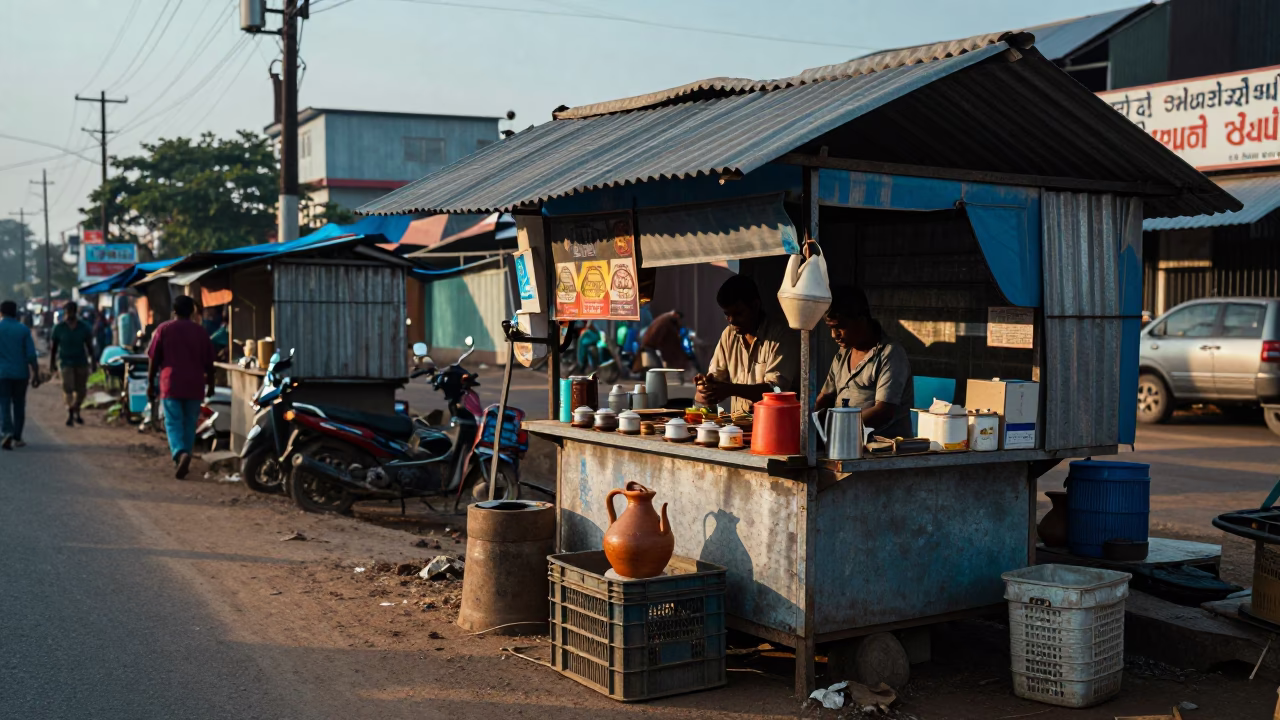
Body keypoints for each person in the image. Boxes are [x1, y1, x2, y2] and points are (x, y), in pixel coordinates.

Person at [816, 285, 914, 439]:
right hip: (842, 442)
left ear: (861, 320)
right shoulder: (843, 354)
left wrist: (840, 428)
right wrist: (807, 422)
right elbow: (825, 398)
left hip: (882, 449)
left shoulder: (890, 353)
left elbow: (884, 411)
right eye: (830, 328)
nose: (834, 335)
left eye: (840, 327)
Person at [695, 275, 799, 414]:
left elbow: (776, 391)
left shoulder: (782, 336)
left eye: (738, 313)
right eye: (727, 315)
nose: (731, 321)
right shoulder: (728, 335)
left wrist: (731, 389)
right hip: (738, 430)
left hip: (775, 425)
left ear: (755, 306)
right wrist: (706, 387)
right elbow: (715, 379)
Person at [147, 295, 216, 479]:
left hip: (171, 383)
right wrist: (212, 384)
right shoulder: (201, 332)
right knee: (189, 423)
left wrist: (149, 383)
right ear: (192, 311)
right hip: (194, 384)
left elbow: (154, 360)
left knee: (173, 422)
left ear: (174, 310)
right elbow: (210, 363)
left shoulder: (164, 329)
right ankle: (185, 454)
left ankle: (180, 453)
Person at [0, 300, 40, 450]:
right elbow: (31, 354)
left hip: (2, 374)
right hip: (20, 374)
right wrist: (36, 373)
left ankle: (6, 432)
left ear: (1, 312)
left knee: (3, 404)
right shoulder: (23, 330)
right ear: (16, 313)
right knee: (19, 404)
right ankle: (17, 436)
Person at [50, 301, 97, 427]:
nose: (69, 314)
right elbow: (54, 348)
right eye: (67, 312)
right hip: (65, 362)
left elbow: (89, 346)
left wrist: (93, 362)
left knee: (81, 390)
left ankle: (76, 409)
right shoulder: (59, 328)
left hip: (81, 362)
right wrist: (52, 363)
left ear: (75, 312)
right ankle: (70, 412)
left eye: (71, 311)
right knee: (68, 387)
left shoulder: (84, 327)